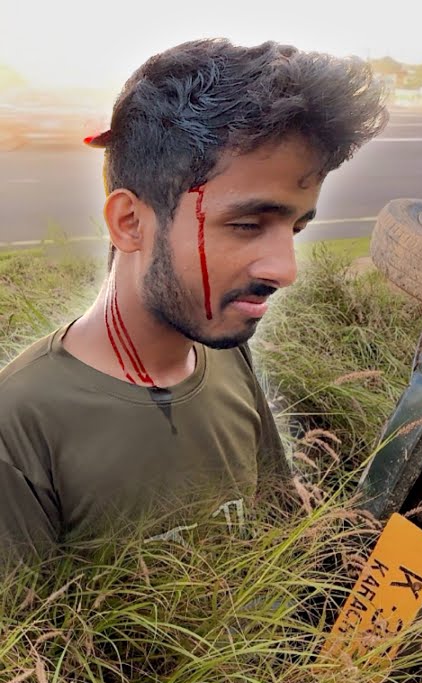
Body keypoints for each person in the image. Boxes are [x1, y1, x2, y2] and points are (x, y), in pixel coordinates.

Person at [0, 39, 389, 560]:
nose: (285, 270)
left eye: (295, 227)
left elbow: (277, 530)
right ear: (130, 223)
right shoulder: (20, 424)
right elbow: (32, 639)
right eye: (248, 224)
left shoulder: (226, 353)